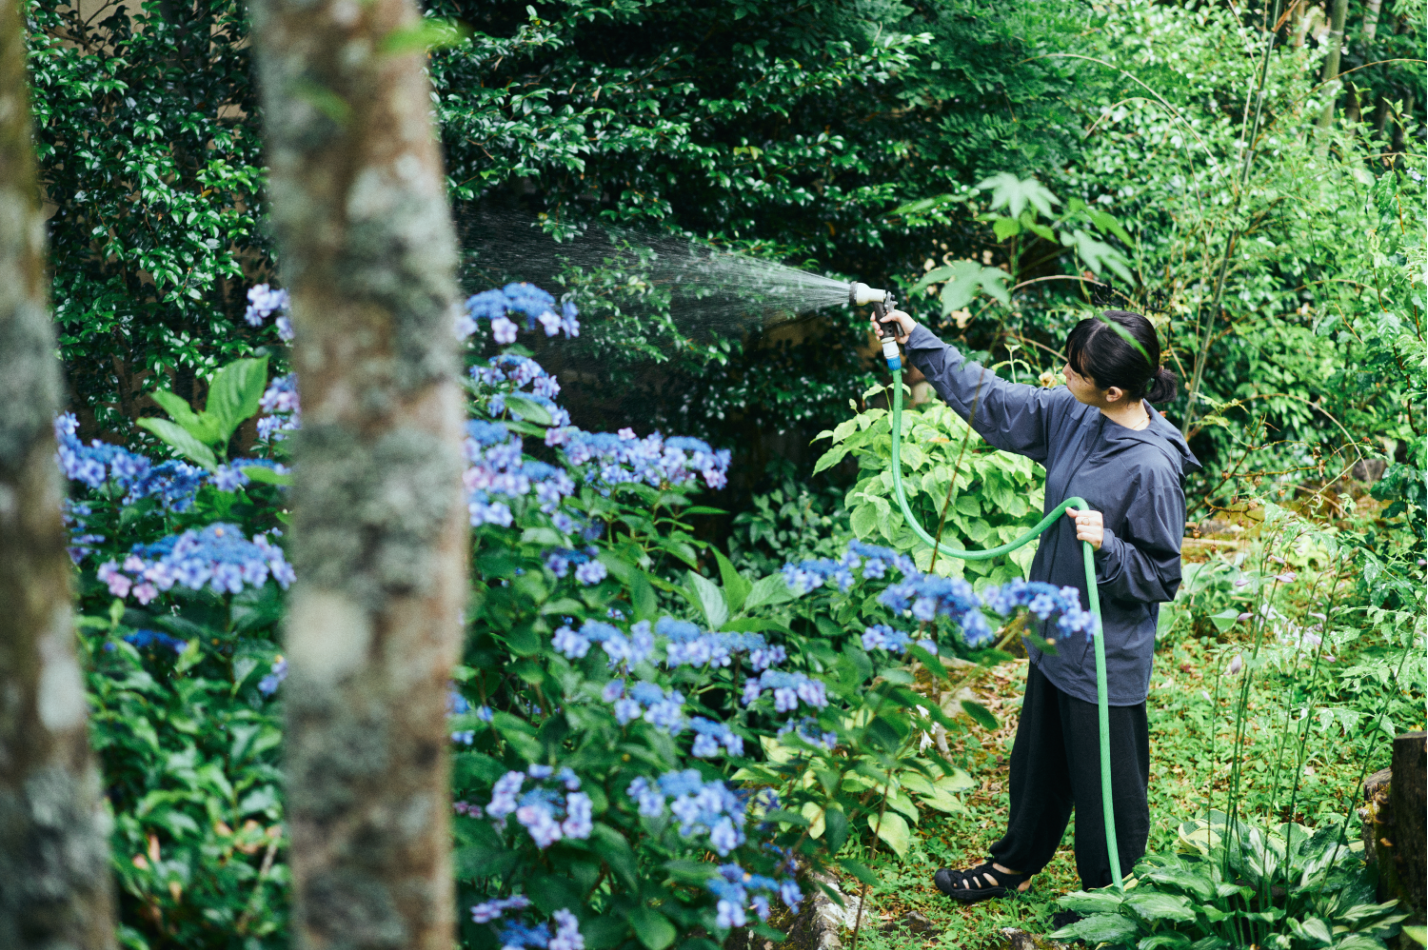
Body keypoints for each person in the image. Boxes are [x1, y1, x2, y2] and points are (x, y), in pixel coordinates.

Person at [872, 306, 1200, 901]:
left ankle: (1110, 902)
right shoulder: (1077, 411)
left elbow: (1161, 575)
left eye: (1074, 369)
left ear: (1115, 388)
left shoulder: (1151, 466)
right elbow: (993, 402)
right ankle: (1013, 864)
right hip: (1055, 632)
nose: (1062, 375)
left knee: (1107, 787)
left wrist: (1108, 546)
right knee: (1038, 763)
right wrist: (918, 342)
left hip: (1106, 655)